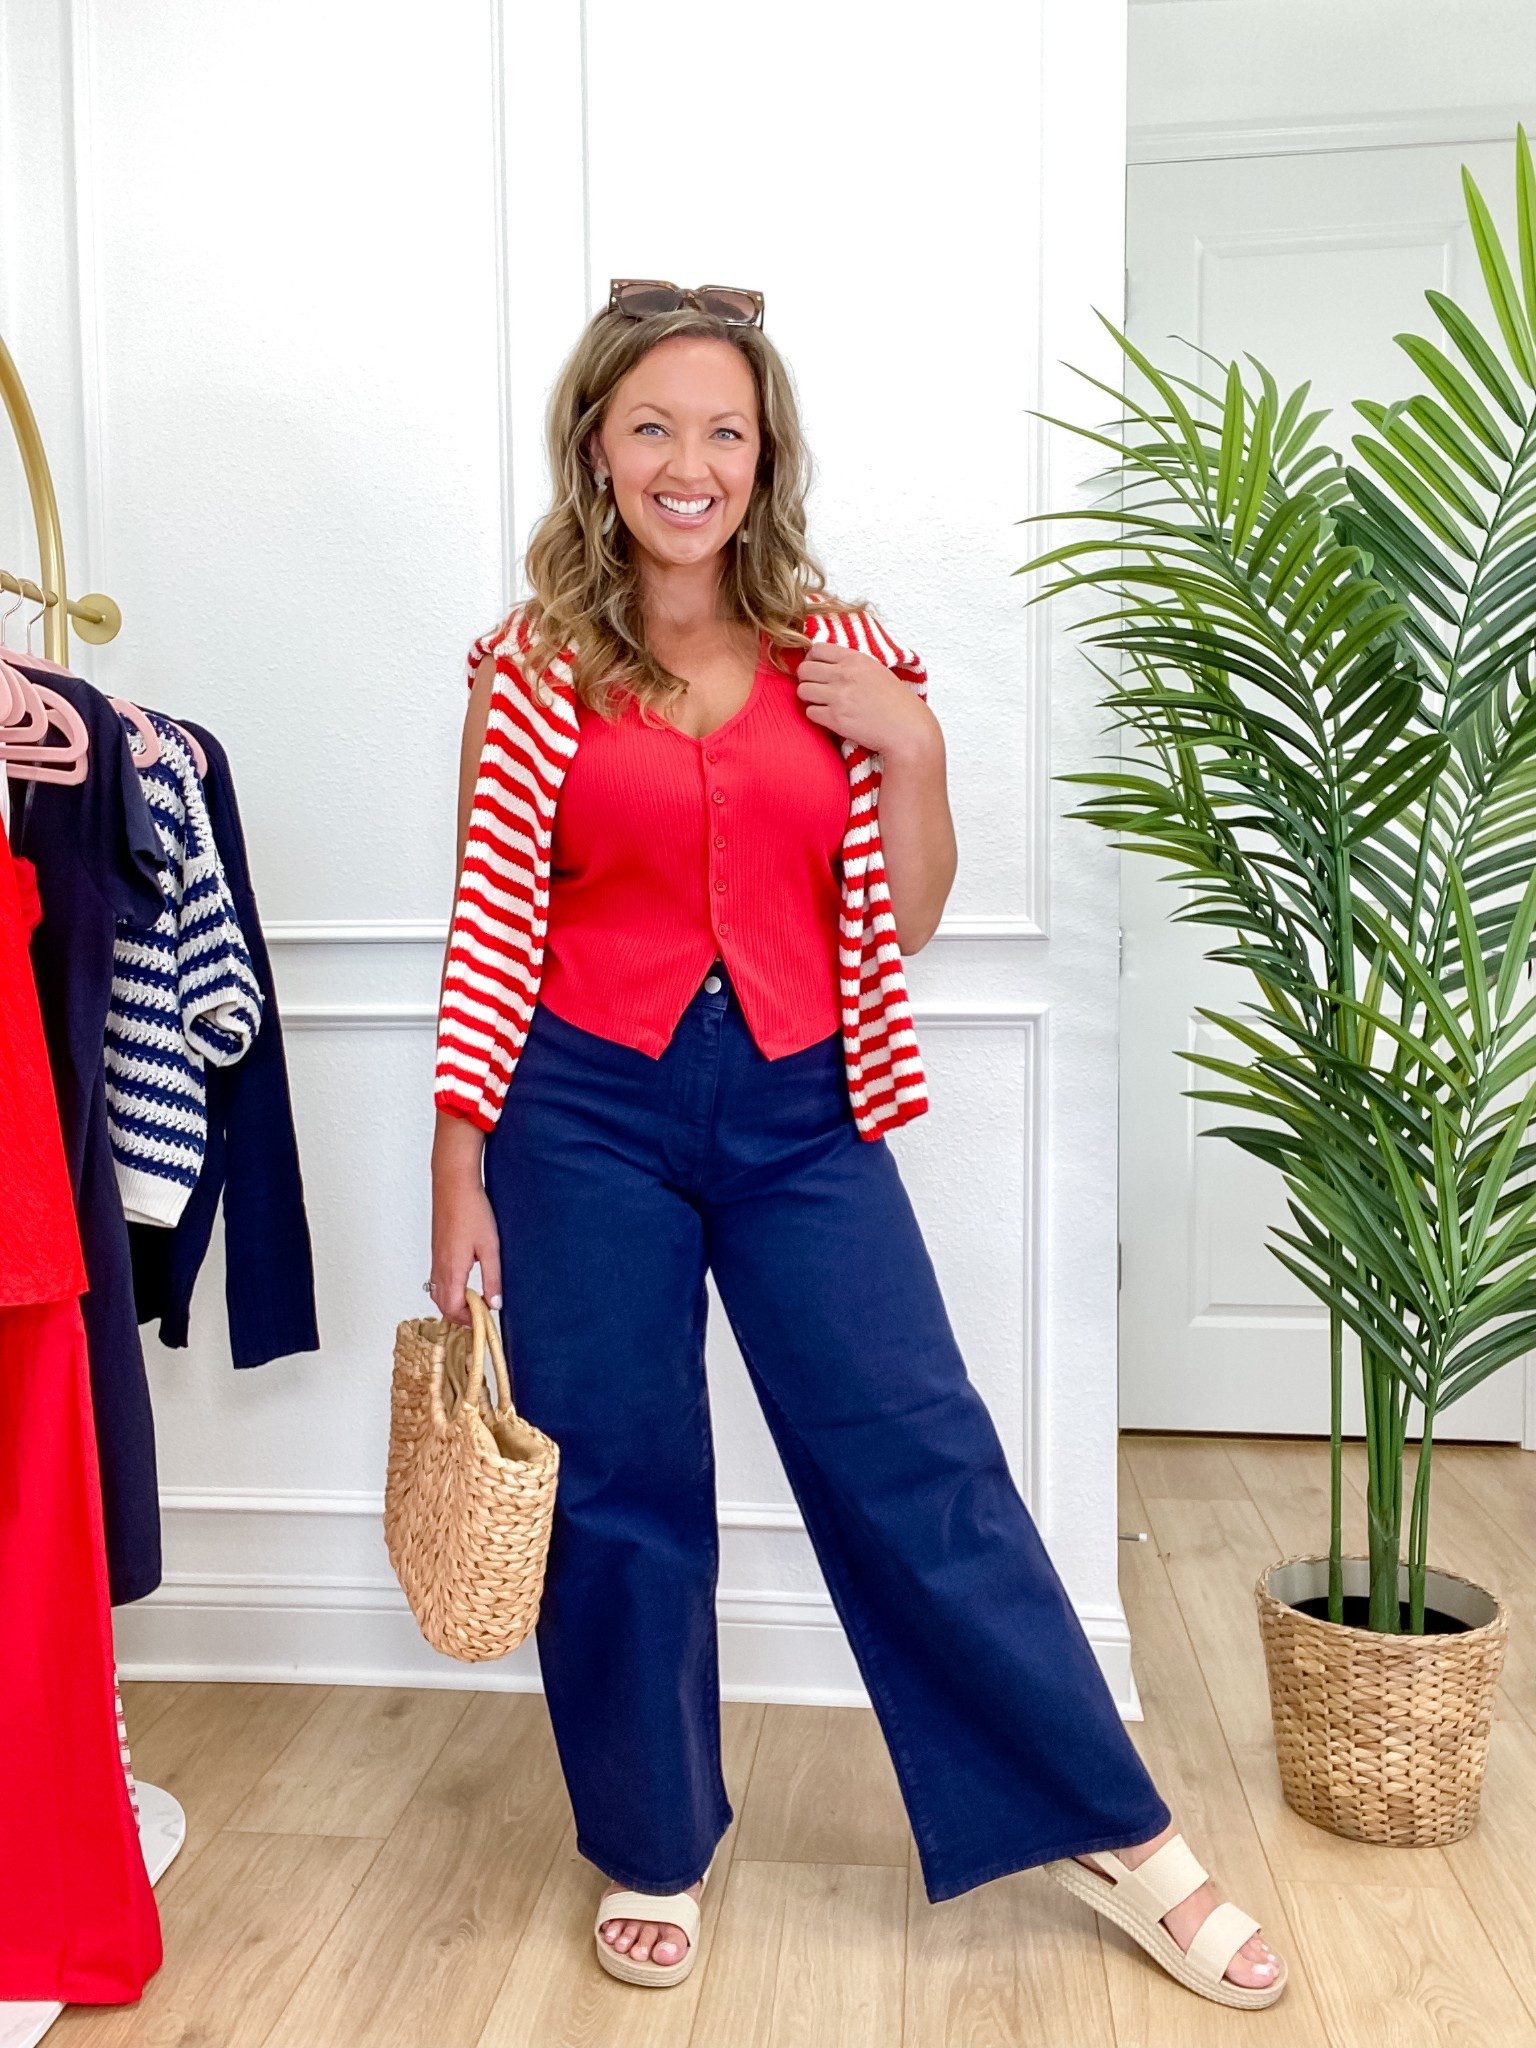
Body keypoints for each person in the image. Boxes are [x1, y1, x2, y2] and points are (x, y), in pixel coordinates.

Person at [427, 280, 1287, 2010]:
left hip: (801, 1108)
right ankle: (653, 1837)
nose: (690, 460)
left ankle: (1116, 1830)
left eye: (723, 429)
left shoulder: (849, 653)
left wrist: (918, 746)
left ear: (766, 456)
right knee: (619, 1481)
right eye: (653, 425)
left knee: (919, 1451)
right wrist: (458, 1175)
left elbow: (905, 917)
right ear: (596, 445)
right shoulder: (529, 667)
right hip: (579, 1109)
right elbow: (487, 924)